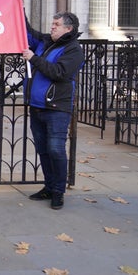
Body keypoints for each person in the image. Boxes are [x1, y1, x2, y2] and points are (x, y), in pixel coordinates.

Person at [22, 11, 83, 210]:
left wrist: (33, 59)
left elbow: (59, 73)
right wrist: (19, 9)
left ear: (68, 28)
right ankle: (49, 187)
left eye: (57, 24)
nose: (52, 26)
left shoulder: (73, 50)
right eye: (53, 23)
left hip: (57, 108)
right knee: (43, 150)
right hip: (38, 107)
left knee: (56, 150)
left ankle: (58, 191)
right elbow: (28, 34)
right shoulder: (46, 42)